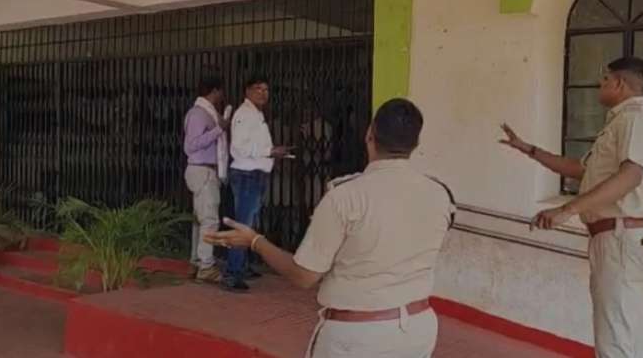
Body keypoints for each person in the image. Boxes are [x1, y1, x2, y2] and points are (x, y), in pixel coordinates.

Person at [206, 98, 455, 357]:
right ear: (416, 143)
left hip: (357, 337)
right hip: (418, 329)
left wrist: (255, 241)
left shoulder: (345, 196)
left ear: (369, 134)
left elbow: (304, 275)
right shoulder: (440, 195)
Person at [500, 57, 643, 358]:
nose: (600, 85)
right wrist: (529, 150)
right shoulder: (622, 121)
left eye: (605, 79)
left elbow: (630, 176)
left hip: (620, 240)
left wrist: (566, 210)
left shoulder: (635, 118)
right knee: (624, 337)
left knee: (614, 342)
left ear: (619, 83)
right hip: (617, 239)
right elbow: (581, 169)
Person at [224, 75, 292, 292]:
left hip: (255, 174)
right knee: (243, 225)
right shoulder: (244, 114)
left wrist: (271, 153)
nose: (263, 93)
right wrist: (269, 151)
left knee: (249, 223)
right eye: (258, 88)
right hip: (247, 175)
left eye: (266, 89)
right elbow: (238, 147)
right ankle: (232, 273)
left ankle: (242, 266)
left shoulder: (256, 113)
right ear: (247, 91)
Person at [183, 76, 230, 284]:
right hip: (203, 171)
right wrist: (219, 130)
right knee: (209, 220)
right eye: (221, 91)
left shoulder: (205, 113)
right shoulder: (199, 114)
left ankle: (197, 261)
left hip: (204, 171)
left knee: (201, 220)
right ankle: (206, 266)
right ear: (215, 91)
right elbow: (191, 145)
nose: (222, 96)